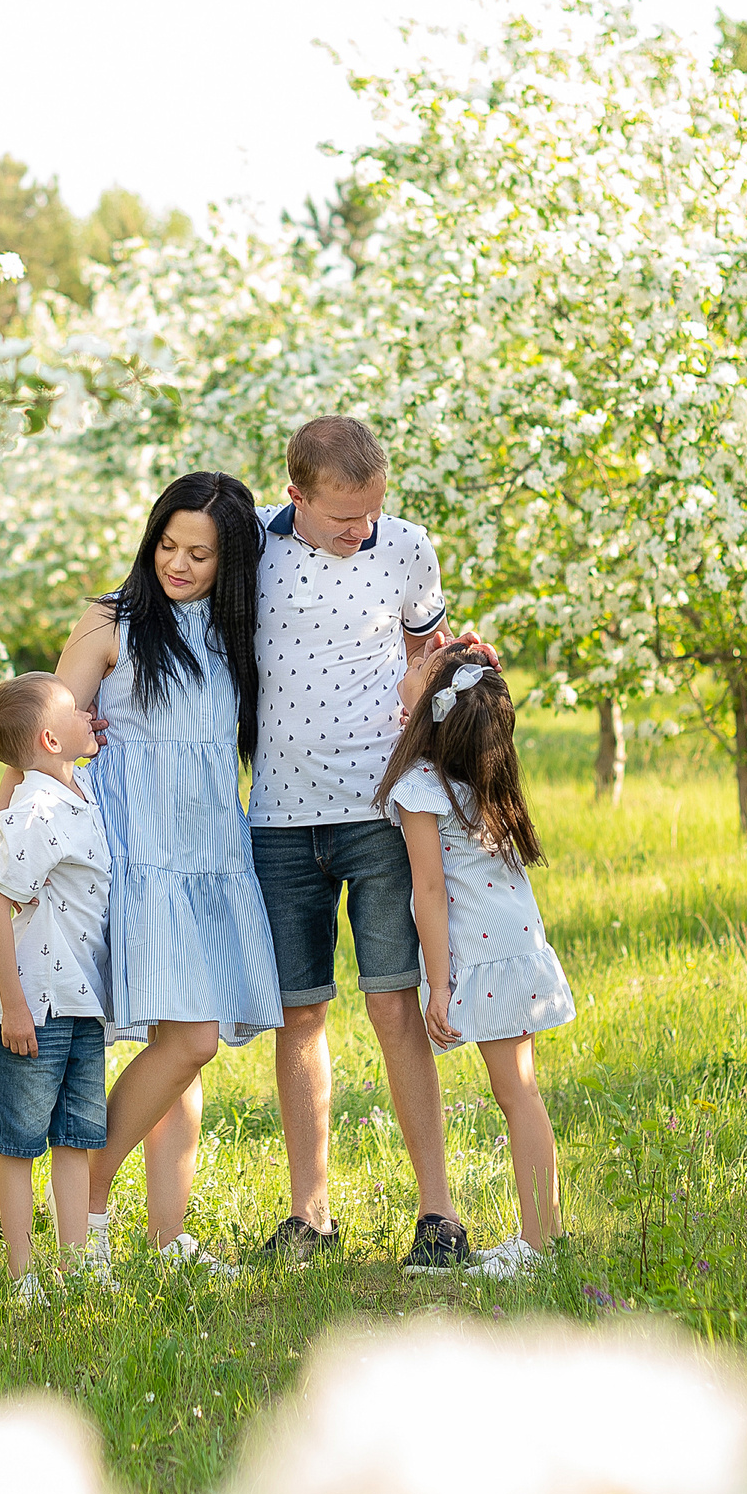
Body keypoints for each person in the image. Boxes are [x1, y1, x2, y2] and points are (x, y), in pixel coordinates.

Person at [0, 472, 279, 1276]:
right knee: (190, 1041)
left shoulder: (234, 631)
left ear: (231, 562)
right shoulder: (111, 622)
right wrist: (4, 819)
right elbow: (42, 730)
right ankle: (91, 1191)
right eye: (167, 546)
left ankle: (166, 1234)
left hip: (208, 853)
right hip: (131, 856)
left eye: (200, 555)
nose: (177, 564)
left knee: (177, 1048)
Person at [248, 415, 477, 1272]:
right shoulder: (253, 547)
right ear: (296, 496)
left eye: (373, 512)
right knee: (301, 1013)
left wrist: (461, 672)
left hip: (383, 813)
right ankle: (309, 1217)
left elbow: (428, 655)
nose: (362, 530)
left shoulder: (408, 546)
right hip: (279, 819)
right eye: (345, 518)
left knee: (392, 1006)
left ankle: (438, 1215)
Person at [377, 642, 577, 1279]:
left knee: (516, 1093)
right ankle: (543, 1236)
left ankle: (538, 1246)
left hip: (491, 955)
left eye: (416, 669)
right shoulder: (476, 780)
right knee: (521, 1090)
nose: (406, 668)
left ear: (433, 711)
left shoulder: (421, 787)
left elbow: (429, 891)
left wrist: (439, 988)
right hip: (517, 943)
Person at [0, 671, 112, 1307]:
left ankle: (76, 1267)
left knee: (77, 1139)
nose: (91, 713)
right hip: (37, 1008)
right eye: (76, 710)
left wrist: (77, 742)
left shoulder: (72, 791)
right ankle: (22, 1274)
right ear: (51, 739)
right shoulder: (38, 811)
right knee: (21, 1143)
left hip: (81, 1003)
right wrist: (15, 1008)